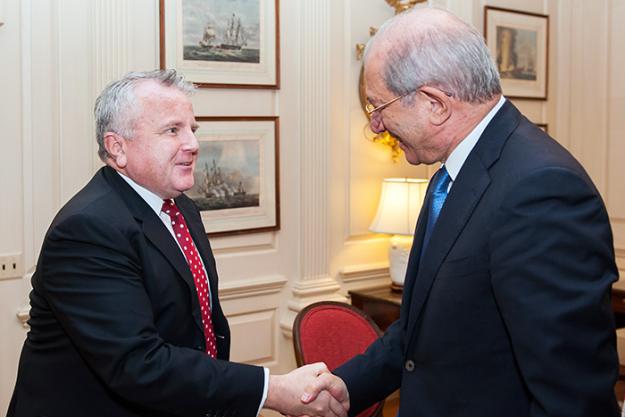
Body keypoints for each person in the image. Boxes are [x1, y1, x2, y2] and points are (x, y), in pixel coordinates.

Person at [305, 7, 620, 417]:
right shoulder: (448, 177)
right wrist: (347, 388)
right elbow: (418, 332)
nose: (377, 126)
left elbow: (572, 396)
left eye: (378, 107)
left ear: (434, 103)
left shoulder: (541, 190)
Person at [7, 70, 348, 417]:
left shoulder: (180, 207)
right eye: (172, 130)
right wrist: (271, 389)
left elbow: (197, 327)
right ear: (117, 148)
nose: (193, 144)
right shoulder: (88, 229)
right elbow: (138, 364)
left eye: (192, 129)